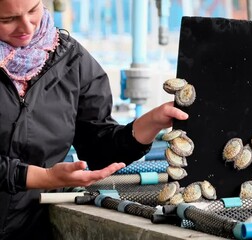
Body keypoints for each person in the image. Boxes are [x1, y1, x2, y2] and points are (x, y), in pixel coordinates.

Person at [0, 0, 188, 239]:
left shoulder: (71, 61)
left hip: (30, 230)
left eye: (33, 10)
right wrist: (42, 177)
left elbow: (99, 149)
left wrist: (148, 125)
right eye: (7, 20)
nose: (26, 26)